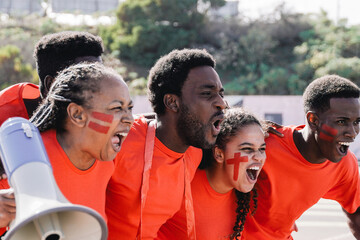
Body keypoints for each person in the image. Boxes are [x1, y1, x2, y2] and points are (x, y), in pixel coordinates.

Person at [105, 48, 227, 239]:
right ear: (172, 102)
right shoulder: (121, 139)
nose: (222, 103)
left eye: (221, 93)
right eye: (207, 94)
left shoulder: (194, 152)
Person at [0, 31, 104, 235]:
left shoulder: (94, 117)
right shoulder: (5, 113)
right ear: (50, 86)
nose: (100, 90)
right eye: (88, 81)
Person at [241, 75, 360, 239]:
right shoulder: (264, 144)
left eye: (357, 122)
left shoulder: (345, 163)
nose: (352, 133)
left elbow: (356, 214)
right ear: (313, 120)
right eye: (341, 122)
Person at [156, 107, 266, 240]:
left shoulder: (248, 200)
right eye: (247, 149)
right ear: (219, 154)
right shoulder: (182, 184)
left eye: (262, 148)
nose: (259, 157)